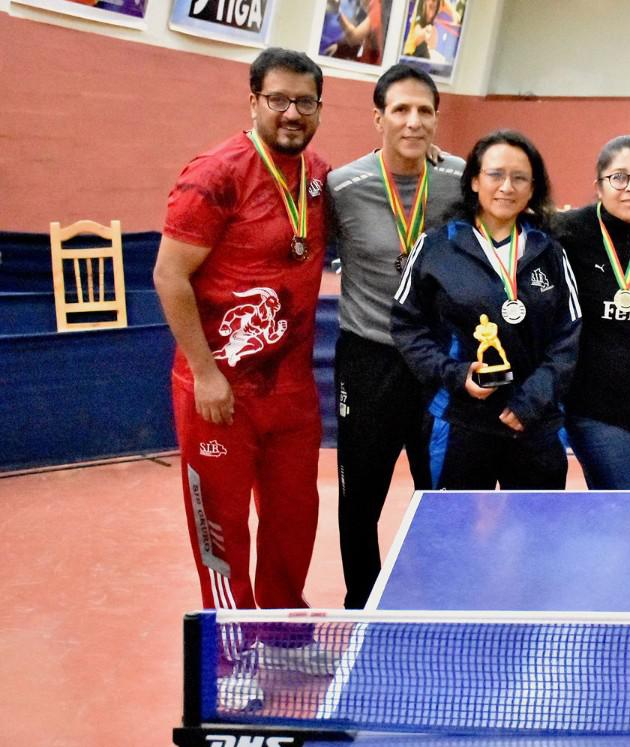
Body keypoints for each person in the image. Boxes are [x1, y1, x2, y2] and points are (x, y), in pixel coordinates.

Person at [154, 48, 332, 703]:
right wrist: (205, 372)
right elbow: (169, 274)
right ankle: (231, 659)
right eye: (278, 99)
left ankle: (283, 633)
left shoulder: (316, 175)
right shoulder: (216, 175)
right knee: (222, 530)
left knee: (294, 519)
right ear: (252, 100)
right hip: (218, 393)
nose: (291, 112)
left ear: (319, 107)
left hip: (291, 391)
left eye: (304, 101)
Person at [326, 63, 464, 609]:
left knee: (442, 490)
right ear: (378, 117)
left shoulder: (460, 178)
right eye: (400, 110)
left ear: (436, 117)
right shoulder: (342, 186)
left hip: (439, 358)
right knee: (360, 494)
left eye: (424, 110)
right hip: (368, 360)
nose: (413, 122)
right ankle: (362, 602)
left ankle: (441, 600)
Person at [392, 130, 581, 489]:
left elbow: (567, 336)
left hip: (534, 423)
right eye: (495, 174)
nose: (506, 187)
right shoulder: (435, 247)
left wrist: (534, 399)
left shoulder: (550, 251)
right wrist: (455, 374)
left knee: (537, 538)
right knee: (452, 536)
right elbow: (406, 326)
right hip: (460, 421)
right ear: (475, 181)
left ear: (532, 188)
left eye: (519, 177)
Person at [553, 135, 630, 489]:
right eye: (618, 177)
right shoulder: (569, 232)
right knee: (629, 504)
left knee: (616, 514)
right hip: (593, 408)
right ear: (599, 187)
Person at [324, 0, 384, 66]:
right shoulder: (373, 9)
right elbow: (362, 41)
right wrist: (340, 48)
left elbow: (354, 39)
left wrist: (338, 12)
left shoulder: (377, 7)